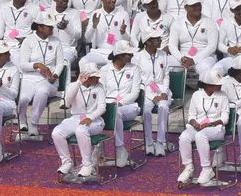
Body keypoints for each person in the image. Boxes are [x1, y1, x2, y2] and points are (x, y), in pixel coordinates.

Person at [52, 62, 107, 178]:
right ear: (87, 77)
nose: (98, 79)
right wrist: (78, 83)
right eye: (95, 77)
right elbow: (68, 102)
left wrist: (90, 118)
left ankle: (87, 165)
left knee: (81, 130)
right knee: (56, 133)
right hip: (76, 118)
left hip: (95, 120)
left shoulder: (100, 87)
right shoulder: (73, 86)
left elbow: (102, 108)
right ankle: (67, 162)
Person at [177, 69, 229, 185]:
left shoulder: (223, 96)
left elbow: (225, 118)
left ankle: (207, 169)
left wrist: (210, 124)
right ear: (207, 85)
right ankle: (188, 167)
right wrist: (195, 123)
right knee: (184, 136)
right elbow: (191, 115)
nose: (220, 85)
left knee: (200, 136)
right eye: (217, 83)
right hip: (198, 126)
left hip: (216, 129)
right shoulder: (196, 95)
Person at [18, 12, 64, 136]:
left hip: (49, 80)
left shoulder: (56, 41)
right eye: (49, 26)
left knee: (42, 92)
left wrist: (55, 75)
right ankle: (22, 120)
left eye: (52, 27)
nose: (52, 29)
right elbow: (22, 65)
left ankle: (33, 123)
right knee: (23, 98)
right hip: (30, 77)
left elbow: (60, 63)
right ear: (40, 27)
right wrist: (37, 65)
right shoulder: (28, 40)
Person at [99, 40, 142, 168]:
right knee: (96, 115)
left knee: (115, 112)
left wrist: (120, 102)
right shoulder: (105, 69)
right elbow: (101, 91)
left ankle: (120, 149)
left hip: (129, 107)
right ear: (119, 56)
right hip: (108, 105)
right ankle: (97, 150)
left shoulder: (135, 69)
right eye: (128, 54)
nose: (131, 56)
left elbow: (135, 93)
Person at [132, 27, 171, 156]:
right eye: (156, 39)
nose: (160, 41)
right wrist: (153, 96)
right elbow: (139, 81)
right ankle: (149, 142)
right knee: (146, 111)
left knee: (164, 106)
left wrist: (164, 91)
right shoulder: (137, 57)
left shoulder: (163, 55)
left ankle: (160, 142)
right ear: (148, 42)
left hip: (162, 89)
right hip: (146, 91)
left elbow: (166, 75)